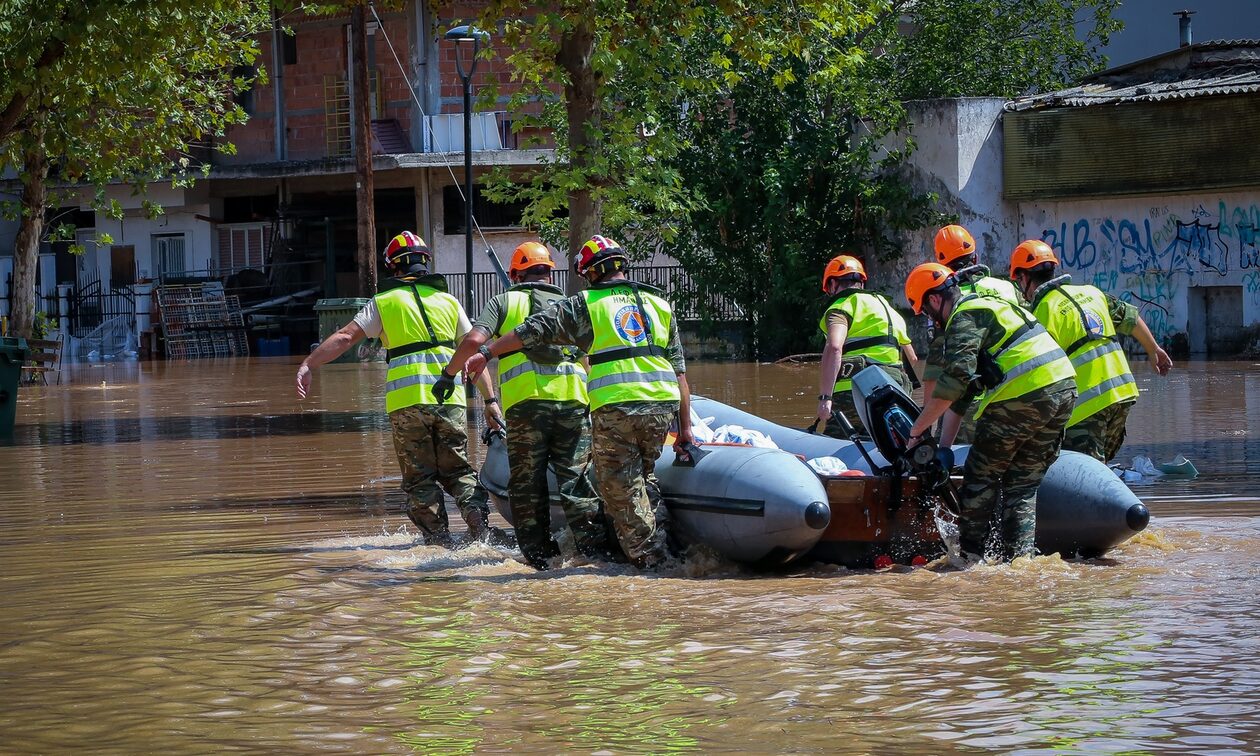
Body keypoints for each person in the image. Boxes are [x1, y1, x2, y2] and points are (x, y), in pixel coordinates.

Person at [463, 234, 692, 570]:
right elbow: (680, 373)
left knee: (619, 487)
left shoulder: (585, 304)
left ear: (587, 272)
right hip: (660, 406)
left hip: (616, 406)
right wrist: (685, 428)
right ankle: (621, 549)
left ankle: (653, 564)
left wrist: (486, 352)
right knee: (642, 478)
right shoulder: (659, 303)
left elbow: (533, 330)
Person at [296, 231, 508, 548]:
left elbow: (344, 338)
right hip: (450, 400)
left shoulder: (384, 302)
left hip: (407, 404)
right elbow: (472, 352)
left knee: (420, 477)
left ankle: (438, 542)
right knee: (459, 469)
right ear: (426, 263)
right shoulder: (449, 301)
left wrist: (309, 364)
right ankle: (479, 527)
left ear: (393, 267)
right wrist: (491, 400)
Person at [440, 241, 610, 569]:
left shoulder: (504, 301)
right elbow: (589, 358)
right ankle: (595, 554)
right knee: (575, 477)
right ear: (550, 272)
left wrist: (450, 373)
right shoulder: (572, 303)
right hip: (574, 401)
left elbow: (475, 340)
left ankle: (539, 559)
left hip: (527, 405)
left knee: (526, 485)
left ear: (515, 274)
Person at [903, 262, 1077, 562]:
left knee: (979, 477)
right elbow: (966, 390)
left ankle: (969, 560)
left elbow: (955, 380)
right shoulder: (993, 304)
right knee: (1022, 484)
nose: (931, 321)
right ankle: (1019, 562)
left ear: (933, 300)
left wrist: (916, 431)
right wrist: (942, 447)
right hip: (1063, 390)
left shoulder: (963, 316)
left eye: (926, 313)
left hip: (1025, 393)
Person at [1009, 239, 1173, 463]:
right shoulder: (1091, 293)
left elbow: (1038, 375)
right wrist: (1154, 350)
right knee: (1099, 467)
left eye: (1018, 281)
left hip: (1087, 405)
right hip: (1123, 394)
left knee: (1083, 473)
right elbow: (1131, 319)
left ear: (1023, 277)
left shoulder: (1041, 312)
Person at [922, 224, 1027, 445]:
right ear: (975, 256)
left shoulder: (947, 298)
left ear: (940, 264)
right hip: (1013, 394)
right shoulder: (1006, 287)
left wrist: (926, 422)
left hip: (963, 406)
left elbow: (936, 368)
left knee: (955, 469)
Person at [816, 254, 918, 437]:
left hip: (855, 391)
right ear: (861, 283)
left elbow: (834, 347)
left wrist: (825, 398)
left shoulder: (841, 306)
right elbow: (912, 358)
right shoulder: (887, 308)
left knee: (836, 444)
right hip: (894, 391)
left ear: (832, 284)